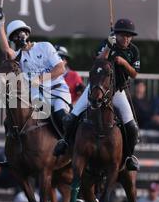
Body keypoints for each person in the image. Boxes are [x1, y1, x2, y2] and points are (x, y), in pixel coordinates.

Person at [54, 19, 142, 171]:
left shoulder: (133, 51)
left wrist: (123, 63)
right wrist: (108, 46)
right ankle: (65, 143)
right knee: (71, 117)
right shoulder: (106, 43)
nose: (126, 39)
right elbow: (98, 61)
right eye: (122, 35)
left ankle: (129, 156)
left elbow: (134, 74)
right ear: (117, 34)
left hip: (117, 92)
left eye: (129, 36)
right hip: (97, 89)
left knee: (132, 126)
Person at [0, 9, 72, 166]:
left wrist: (41, 79)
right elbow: (5, 50)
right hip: (36, 95)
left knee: (60, 115)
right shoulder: (19, 56)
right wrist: (0, 25)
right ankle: (13, 155)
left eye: (21, 33)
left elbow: (60, 69)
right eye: (15, 36)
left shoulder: (45, 46)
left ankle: (72, 148)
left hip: (57, 91)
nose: (19, 36)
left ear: (27, 34)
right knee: (12, 120)